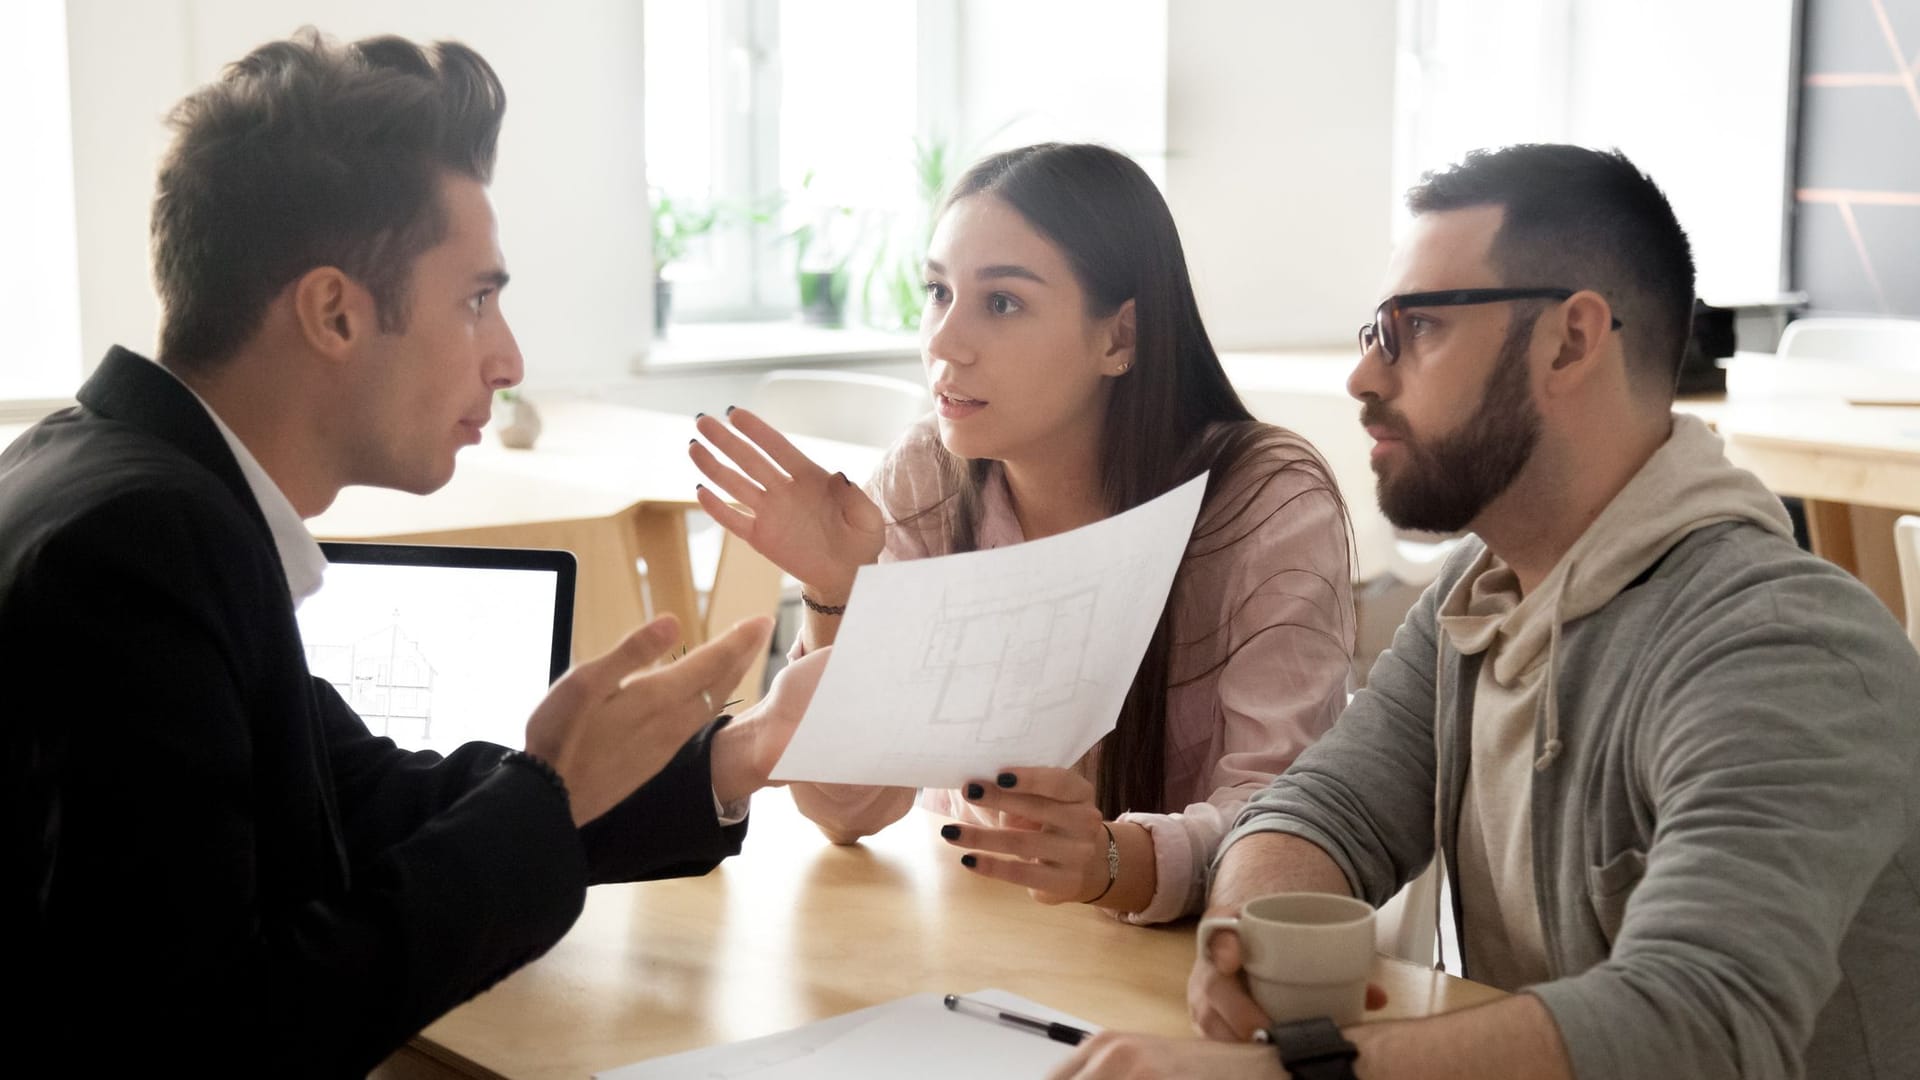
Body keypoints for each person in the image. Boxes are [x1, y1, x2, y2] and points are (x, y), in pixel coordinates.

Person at [0, 30, 827, 1076]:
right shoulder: (138, 547)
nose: (510, 356)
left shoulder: (115, 480)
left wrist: (723, 762)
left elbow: (367, 801)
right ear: (336, 312)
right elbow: (218, 1040)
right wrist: (545, 801)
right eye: (477, 298)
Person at [1050, 144, 1920, 1080]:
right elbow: (1324, 808)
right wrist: (1245, 937)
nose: (1363, 378)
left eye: (1414, 328)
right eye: (1372, 331)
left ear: (1571, 342)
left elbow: (1698, 1024)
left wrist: (1285, 1075)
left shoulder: (1783, 649)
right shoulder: (1485, 590)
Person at [688, 142, 1354, 924]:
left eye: (1001, 303)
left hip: (1186, 975)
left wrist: (1114, 861)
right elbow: (846, 813)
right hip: (981, 946)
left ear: (1121, 339)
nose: (943, 342)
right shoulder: (926, 478)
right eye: (937, 292)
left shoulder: (1266, 502)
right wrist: (839, 598)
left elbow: (1284, 825)